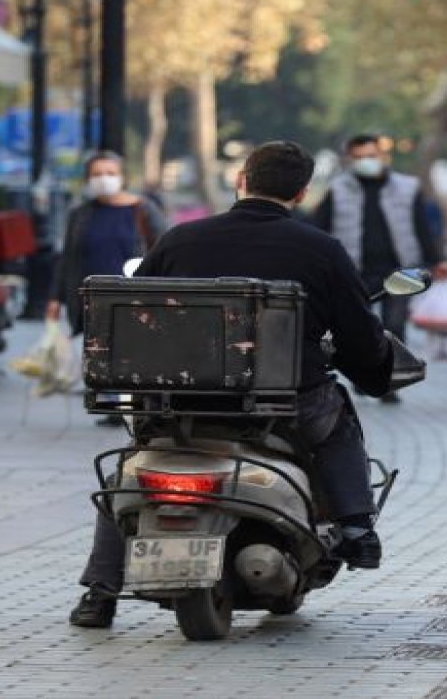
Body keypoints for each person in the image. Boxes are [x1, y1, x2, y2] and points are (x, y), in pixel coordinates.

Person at [69, 141, 397, 628]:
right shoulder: (321, 250)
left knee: (132, 467)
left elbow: (143, 316)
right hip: (286, 404)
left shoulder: (180, 240)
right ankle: (354, 527)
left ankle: (100, 592)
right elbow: (358, 335)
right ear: (303, 193)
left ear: (242, 179)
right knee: (337, 419)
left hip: (180, 402)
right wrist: (375, 374)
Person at [310, 134, 443, 403]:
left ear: (382, 156)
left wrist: (436, 260)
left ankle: (388, 382)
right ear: (349, 159)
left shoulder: (408, 187)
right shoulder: (337, 189)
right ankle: (363, 377)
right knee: (358, 329)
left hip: (399, 269)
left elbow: (422, 226)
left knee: (394, 325)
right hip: (354, 271)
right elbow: (319, 227)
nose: (365, 162)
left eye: (370, 156)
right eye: (358, 157)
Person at [47, 151, 167, 425]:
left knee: (131, 350)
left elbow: (163, 248)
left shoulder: (143, 209)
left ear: (122, 176)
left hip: (134, 296)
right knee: (101, 351)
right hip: (91, 297)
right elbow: (67, 257)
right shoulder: (81, 214)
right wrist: (55, 297)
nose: (104, 179)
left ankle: (135, 402)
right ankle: (114, 404)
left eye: (110, 173)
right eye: (96, 174)